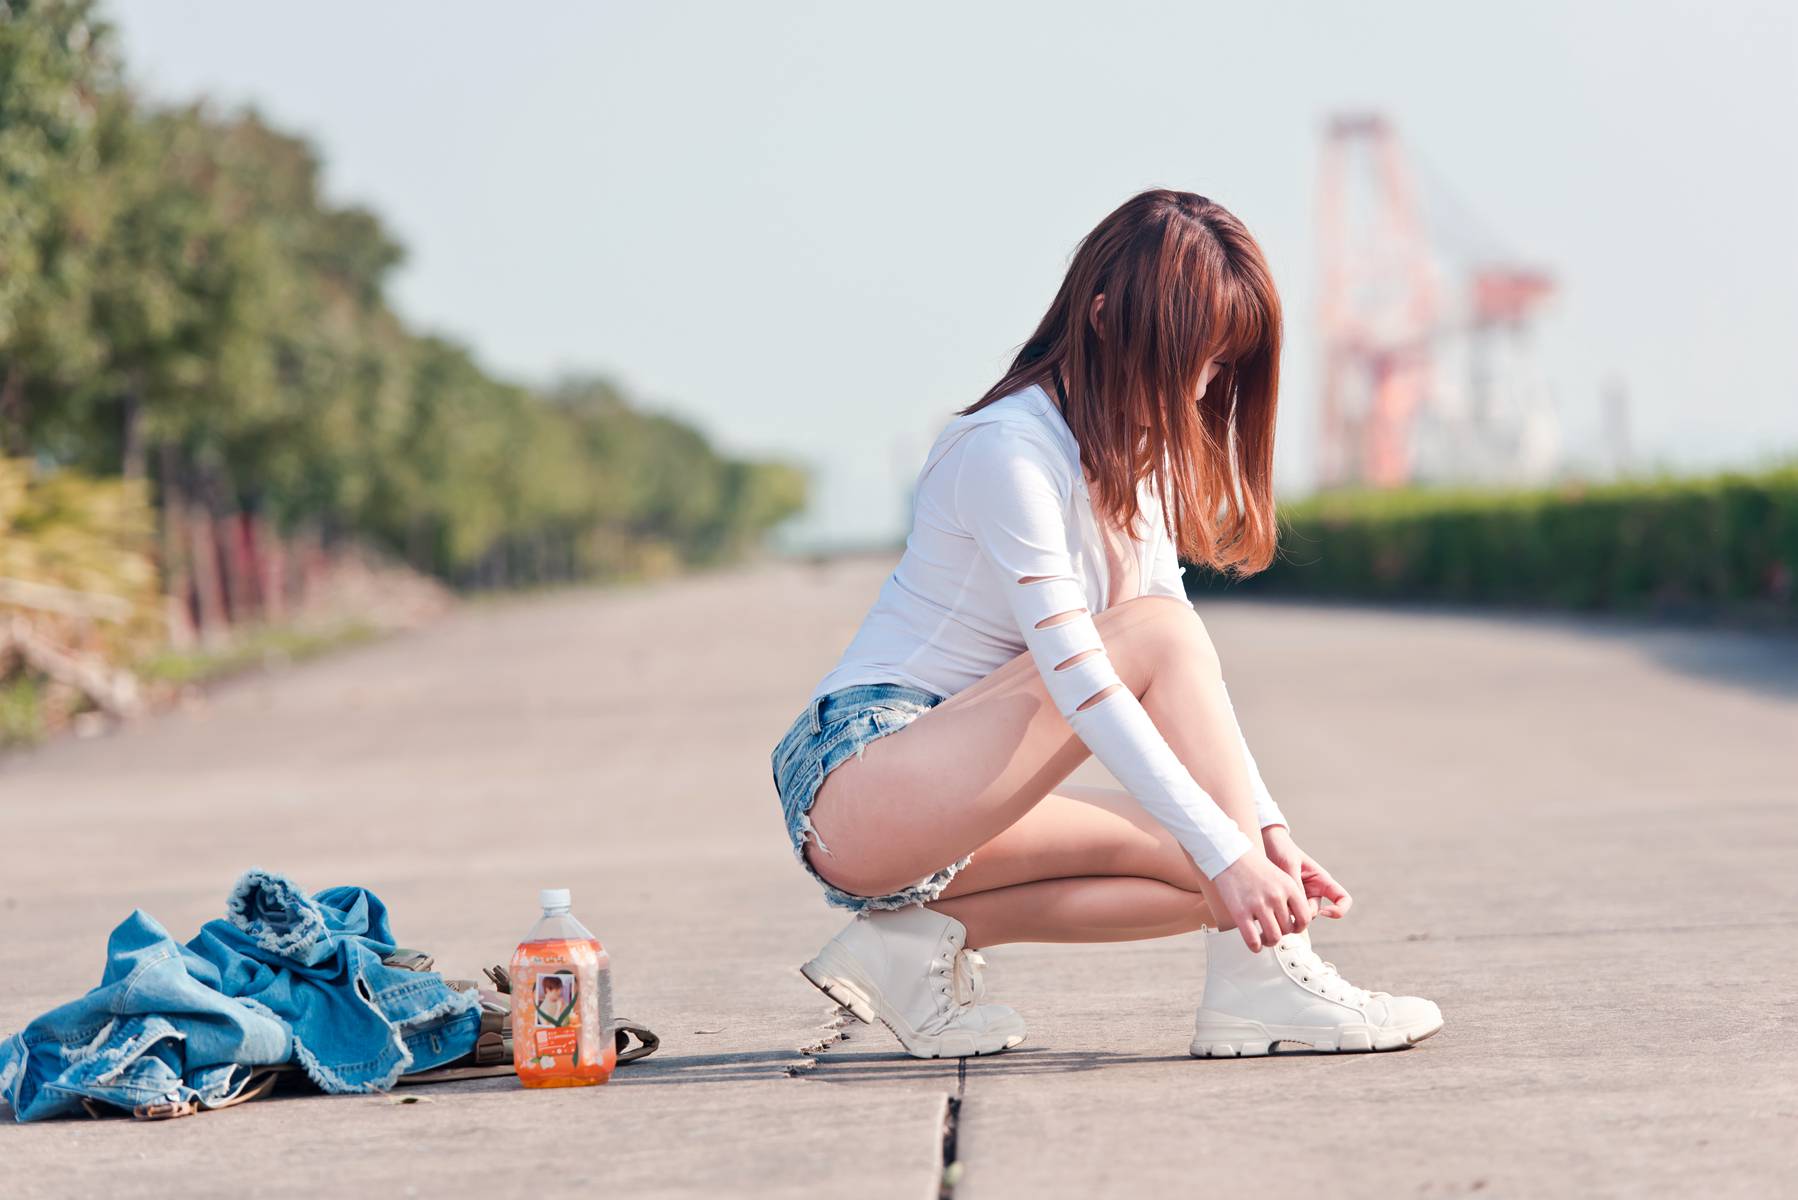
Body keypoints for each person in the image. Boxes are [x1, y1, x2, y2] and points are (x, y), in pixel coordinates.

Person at [769, 188, 1443, 1061]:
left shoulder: (1136, 465)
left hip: (958, 797)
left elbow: (1184, 688)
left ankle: (903, 953)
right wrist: (1233, 844)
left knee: (1215, 860)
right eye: (1193, 360)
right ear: (1102, 319)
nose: (1205, 389)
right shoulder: (1005, 450)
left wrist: (1265, 837)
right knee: (1181, 723)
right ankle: (1267, 981)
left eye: (1221, 367)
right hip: (861, 778)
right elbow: (1085, 674)